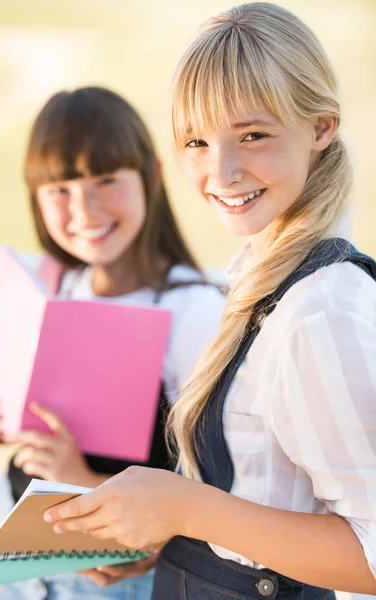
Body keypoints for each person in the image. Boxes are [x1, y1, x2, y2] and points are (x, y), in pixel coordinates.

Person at [43, 4, 376, 599]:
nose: (220, 171)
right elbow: (258, 506)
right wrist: (158, 540)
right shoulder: (263, 276)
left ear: (321, 128)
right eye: (196, 141)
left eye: (253, 135)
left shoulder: (320, 308)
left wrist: (185, 509)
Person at [0, 86, 226, 599]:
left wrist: (78, 475)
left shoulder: (191, 310)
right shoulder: (60, 284)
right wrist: (12, 420)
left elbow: (208, 488)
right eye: (60, 190)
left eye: (106, 180)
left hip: (121, 580)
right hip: (29, 570)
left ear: (152, 176)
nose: (84, 209)